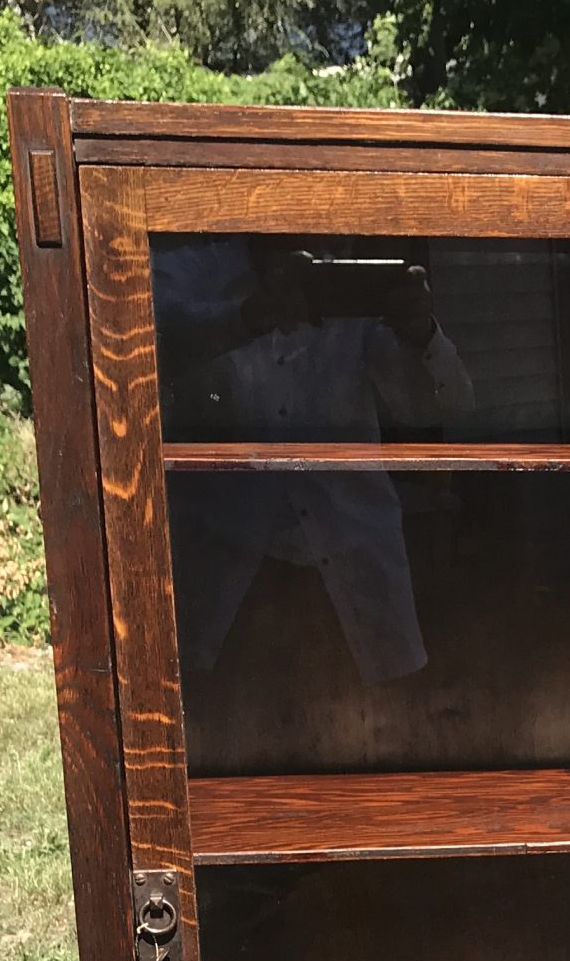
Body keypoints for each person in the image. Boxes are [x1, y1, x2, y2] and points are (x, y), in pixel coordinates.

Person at [162, 239, 474, 682]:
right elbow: (147, 351)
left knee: (383, 737)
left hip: (358, 579)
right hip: (225, 586)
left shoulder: (349, 284)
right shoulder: (190, 272)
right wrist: (249, 316)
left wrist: (420, 333)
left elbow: (442, 407)